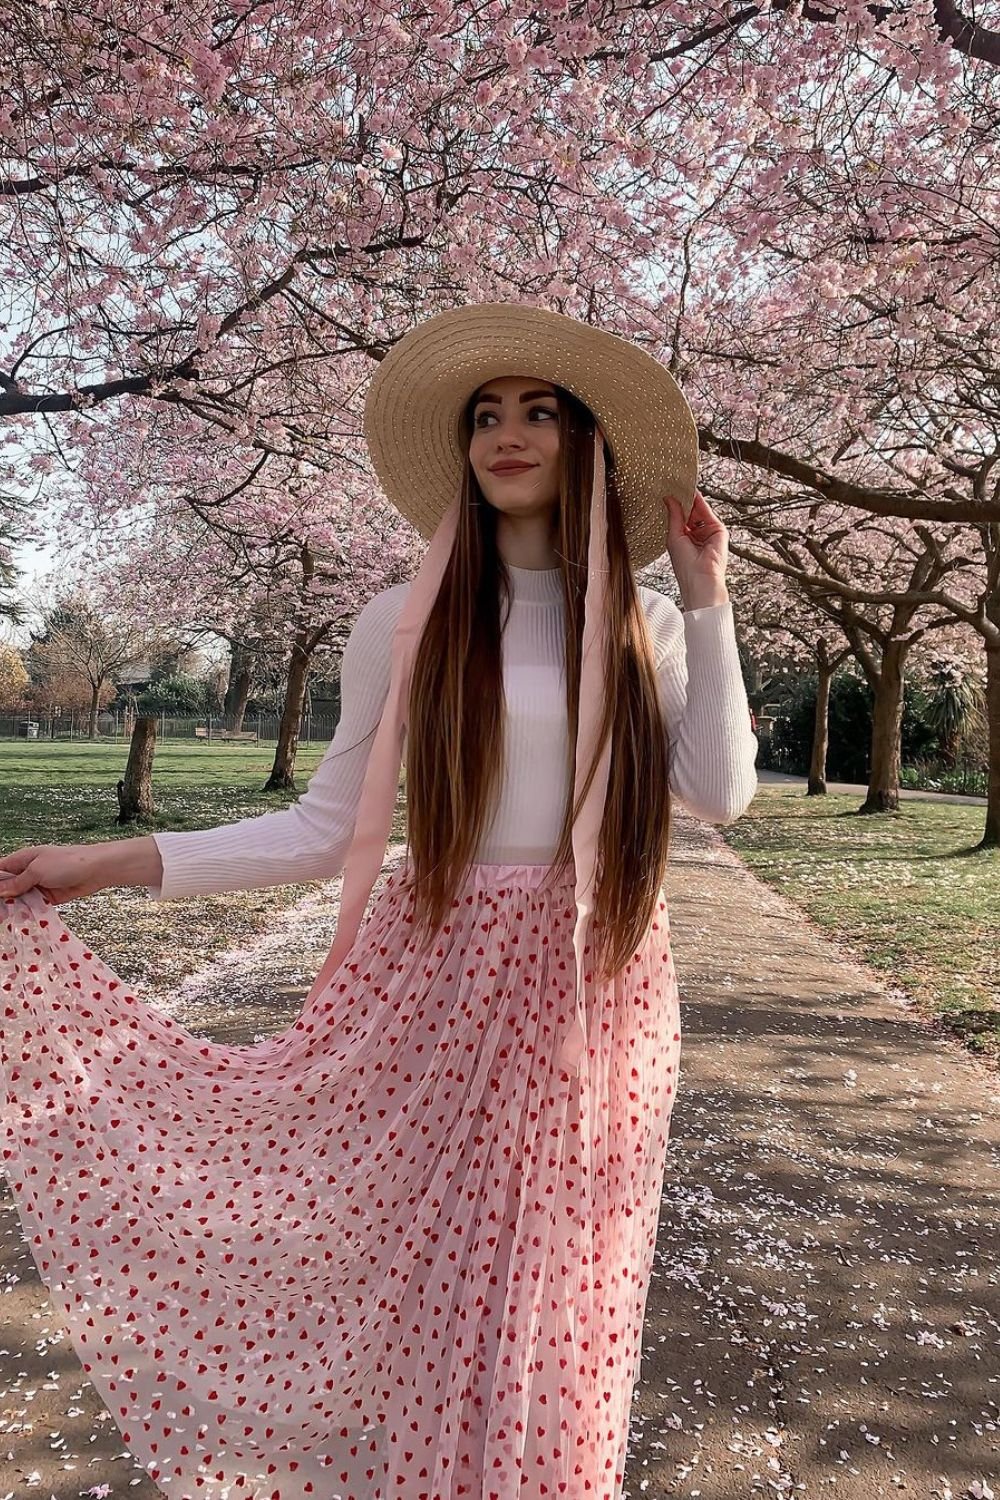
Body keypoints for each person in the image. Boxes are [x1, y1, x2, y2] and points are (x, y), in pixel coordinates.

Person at [0, 303, 758, 1500]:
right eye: (486, 416)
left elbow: (715, 795)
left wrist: (708, 598)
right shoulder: (399, 625)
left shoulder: (647, 623)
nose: (507, 434)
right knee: (433, 1296)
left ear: (587, 444)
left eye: (539, 412)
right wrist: (101, 864)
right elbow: (322, 827)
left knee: (556, 1299)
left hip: (591, 990)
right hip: (436, 982)